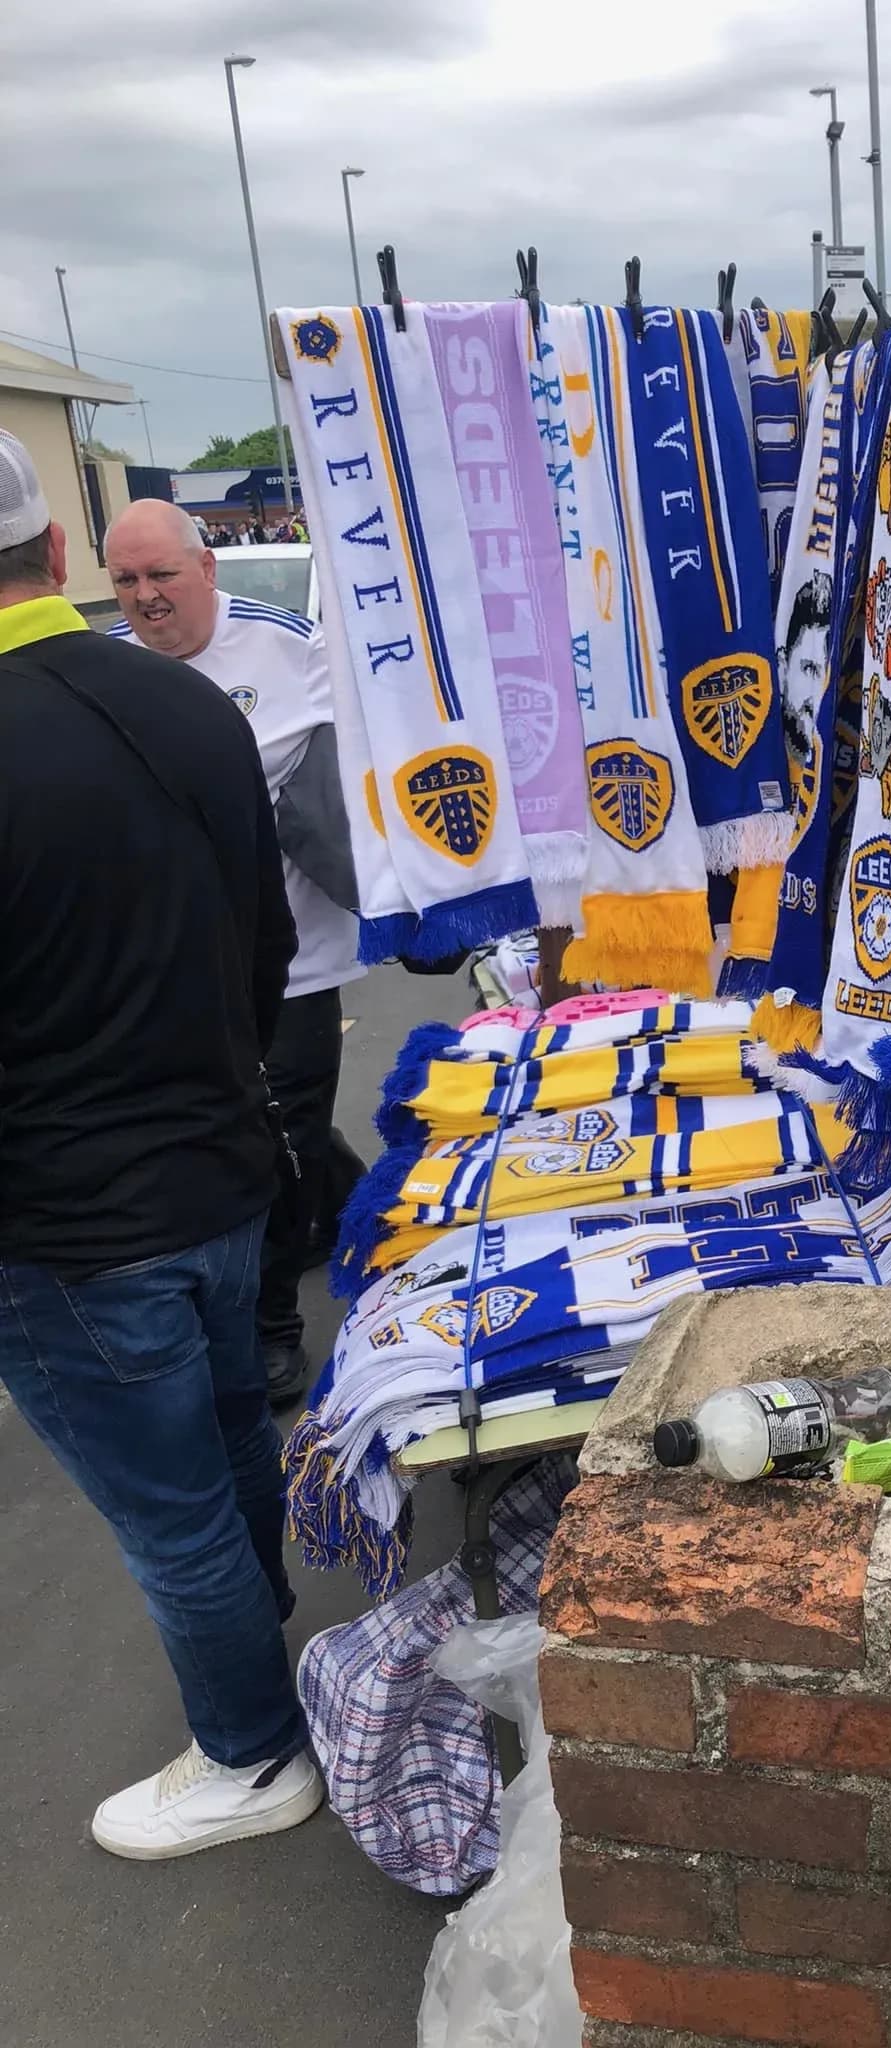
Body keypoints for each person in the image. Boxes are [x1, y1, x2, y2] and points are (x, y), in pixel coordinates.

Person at [0, 428, 322, 1857]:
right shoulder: (190, 704)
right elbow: (266, 947)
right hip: (214, 1156)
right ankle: (267, 1654)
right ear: (59, 556)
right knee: (233, 1433)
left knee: (169, 1504)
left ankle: (253, 1752)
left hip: (66, 1218)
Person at [105, 499, 363, 1408]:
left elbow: (368, 768)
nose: (146, 598)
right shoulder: (107, 671)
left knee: (276, 1129)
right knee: (257, 1126)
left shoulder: (294, 651)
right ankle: (364, 1206)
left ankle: (271, 1330)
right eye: (127, 581)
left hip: (293, 957)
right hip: (173, 966)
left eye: (162, 576)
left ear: (205, 569)